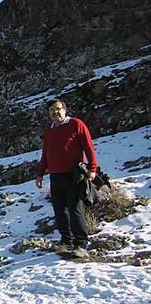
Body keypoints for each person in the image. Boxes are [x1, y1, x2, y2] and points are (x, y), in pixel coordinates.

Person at [36, 99, 98, 258]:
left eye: (58, 109)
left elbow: (88, 146)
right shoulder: (50, 130)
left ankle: (81, 244)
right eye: (51, 111)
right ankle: (66, 241)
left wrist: (92, 168)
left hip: (74, 175)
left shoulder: (76, 124)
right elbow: (46, 154)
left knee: (75, 209)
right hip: (55, 175)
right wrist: (40, 174)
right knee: (60, 210)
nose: (55, 113)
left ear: (64, 109)